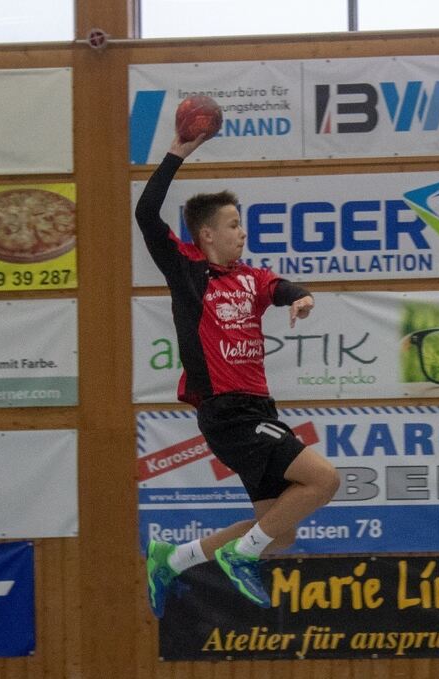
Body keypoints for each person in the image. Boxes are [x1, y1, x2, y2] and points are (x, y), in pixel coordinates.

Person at [135, 132, 340, 618]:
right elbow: (146, 214)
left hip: (257, 409)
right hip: (228, 412)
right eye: (233, 225)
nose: (242, 233)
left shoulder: (250, 276)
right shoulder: (187, 271)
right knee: (324, 480)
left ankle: (173, 559)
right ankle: (240, 556)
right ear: (207, 235)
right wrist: (176, 154)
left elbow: (282, 287)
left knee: (279, 531)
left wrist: (302, 297)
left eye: (241, 224)